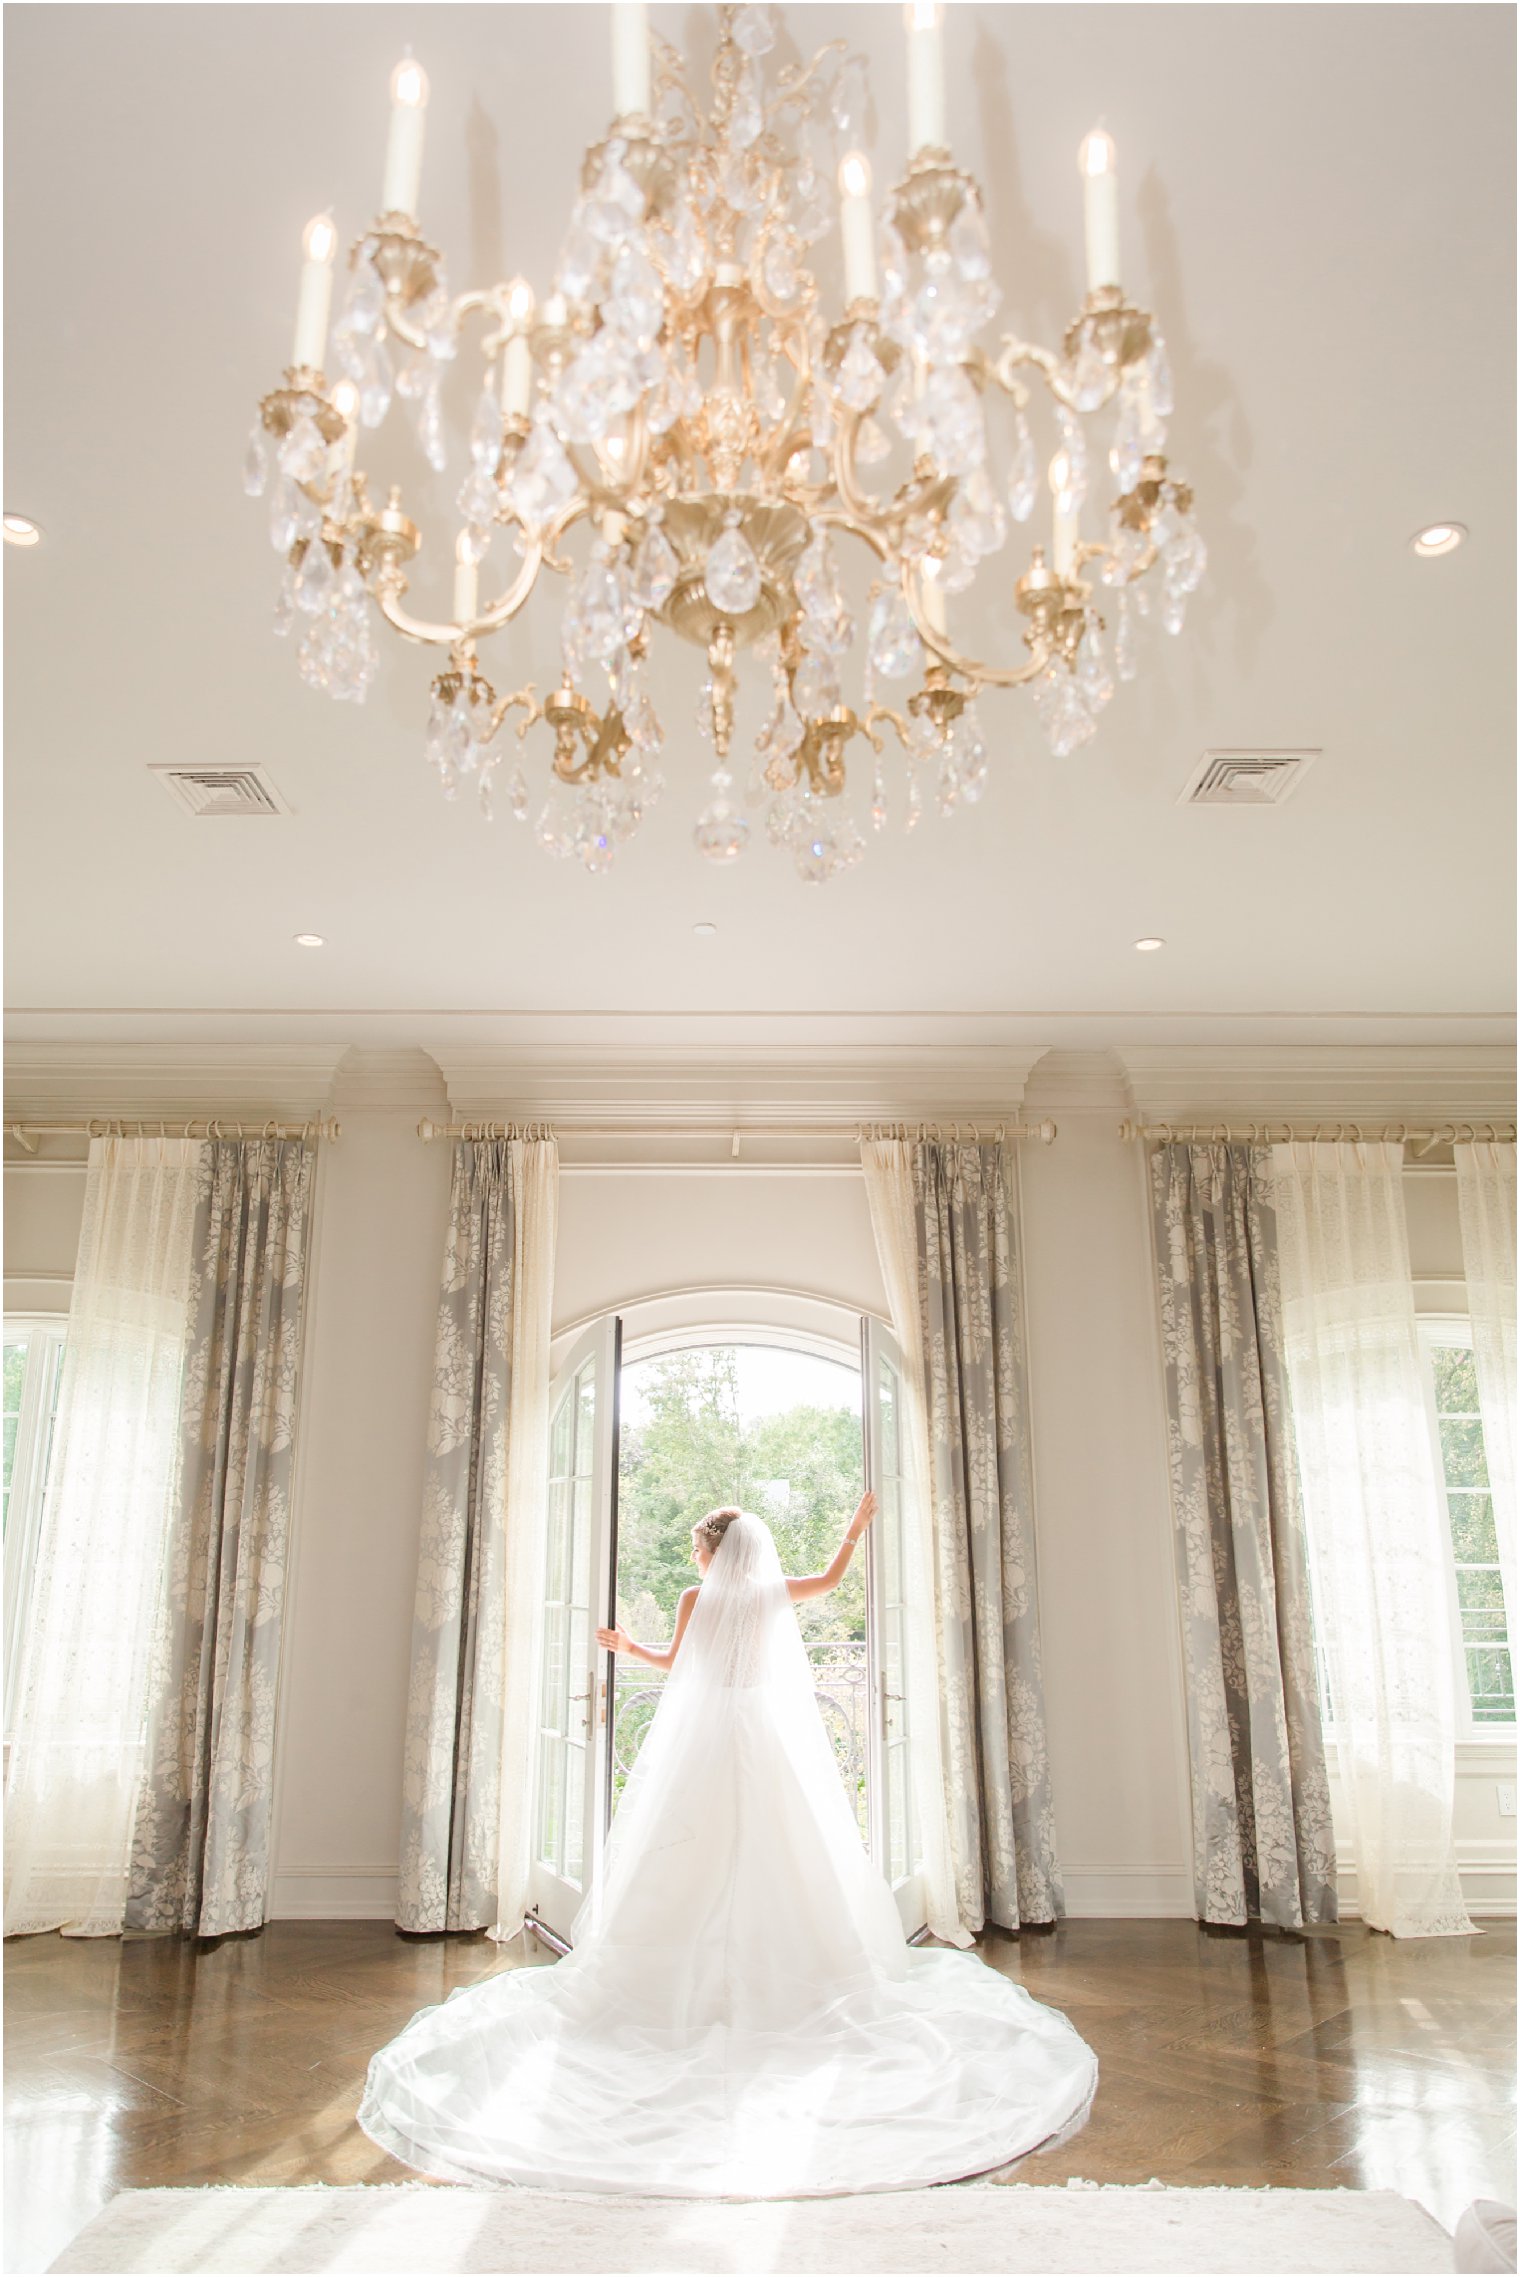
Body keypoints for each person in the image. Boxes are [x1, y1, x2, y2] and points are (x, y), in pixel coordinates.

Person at [359, 1500, 1097, 2198]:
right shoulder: (770, 1595)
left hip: (707, 1741)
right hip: (767, 1738)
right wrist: (855, 1527)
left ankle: (681, 1982)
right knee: (786, 1853)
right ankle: (794, 1974)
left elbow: (679, 1668)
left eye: (697, 1546)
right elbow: (834, 1581)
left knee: (687, 1855)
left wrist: (627, 1647)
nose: (695, 1555)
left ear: (713, 1549)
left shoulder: (694, 1598)